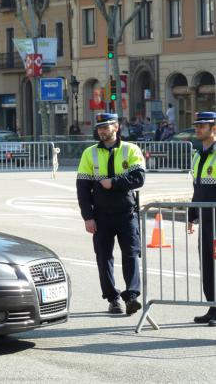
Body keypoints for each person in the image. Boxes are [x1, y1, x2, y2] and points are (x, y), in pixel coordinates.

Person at [76, 113, 146, 315]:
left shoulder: (130, 149)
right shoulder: (90, 153)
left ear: (116, 126)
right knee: (103, 257)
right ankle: (113, 299)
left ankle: (131, 297)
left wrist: (113, 183)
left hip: (126, 213)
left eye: (106, 127)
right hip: (101, 215)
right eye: (99, 128)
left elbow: (139, 178)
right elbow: (82, 188)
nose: (102, 131)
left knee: (131, 255)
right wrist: (87, 217)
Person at [187, 112, 216, 326]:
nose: (198, 129)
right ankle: (213, 306)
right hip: (205, 218)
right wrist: (191, 215)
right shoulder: (198, 154)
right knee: (206, 265)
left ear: (213, 128)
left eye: (202, 126)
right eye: (197, 125)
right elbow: (197, 188)